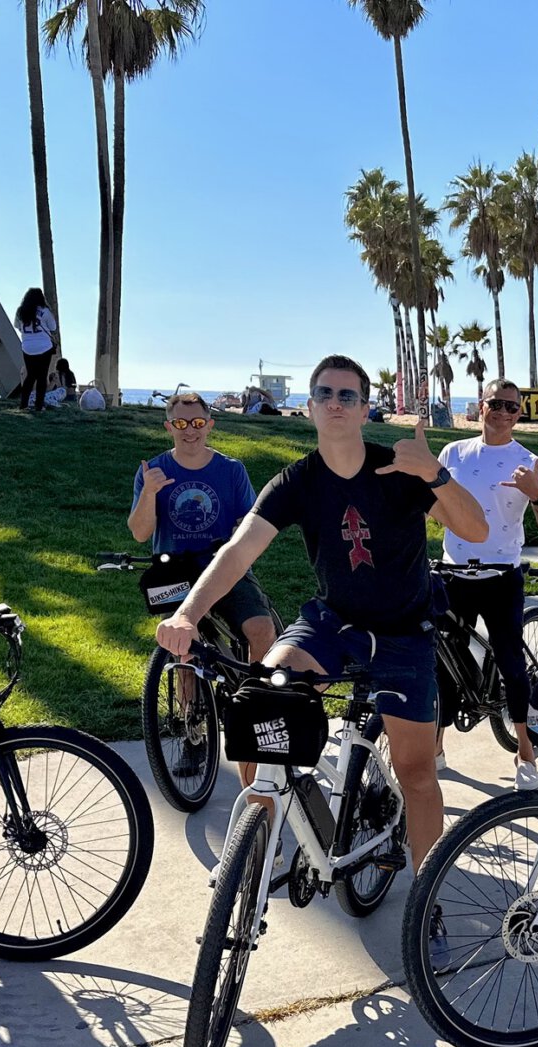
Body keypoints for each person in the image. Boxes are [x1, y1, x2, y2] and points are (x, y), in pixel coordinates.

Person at [156, 355, 490, 963]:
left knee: (417, 773)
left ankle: (428, 901)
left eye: (348, 394)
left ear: (365, 408)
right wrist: (187, 613)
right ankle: (252, 849)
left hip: (405, 631)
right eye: (324, 393)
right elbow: (238, 551)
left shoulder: (401, 467)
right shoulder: (297, 481)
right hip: (331, 621)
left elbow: (473, 526)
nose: (335, 402)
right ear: (310, 407)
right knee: (263, 701)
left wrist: (436, 475)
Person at [129, 392, 280, 779]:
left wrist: (237, 550)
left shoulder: (231, 471)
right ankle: (194, 734)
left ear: (210, 424)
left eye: (197, 423)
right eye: (180, 423)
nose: (189, 431)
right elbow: (139, 532)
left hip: (221, 566)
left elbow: (251, 527)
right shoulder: (154, 471)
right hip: (174, 571)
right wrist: (149, 492)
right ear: (169, 426)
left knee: (261, 629)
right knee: (184, 650)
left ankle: (258, 713)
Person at [434, 379, 538, 790]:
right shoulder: (453, 453)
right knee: (442, 663)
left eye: (513, 407)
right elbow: (433, 506)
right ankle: (436, 747)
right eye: (498, 404)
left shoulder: (529, 461)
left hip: (502, 575)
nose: (505, 413)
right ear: (481, 406)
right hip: (454, 573)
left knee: (510, 662)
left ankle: (525, 752)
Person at [13, 288, 58, 412]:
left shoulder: (21, 311)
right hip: (44, 347)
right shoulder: (45, 311)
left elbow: (17, 326)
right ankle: (39, 405)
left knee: (30, 376)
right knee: (42, 376)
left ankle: (23, 404)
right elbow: (53, 327)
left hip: (27, 347)